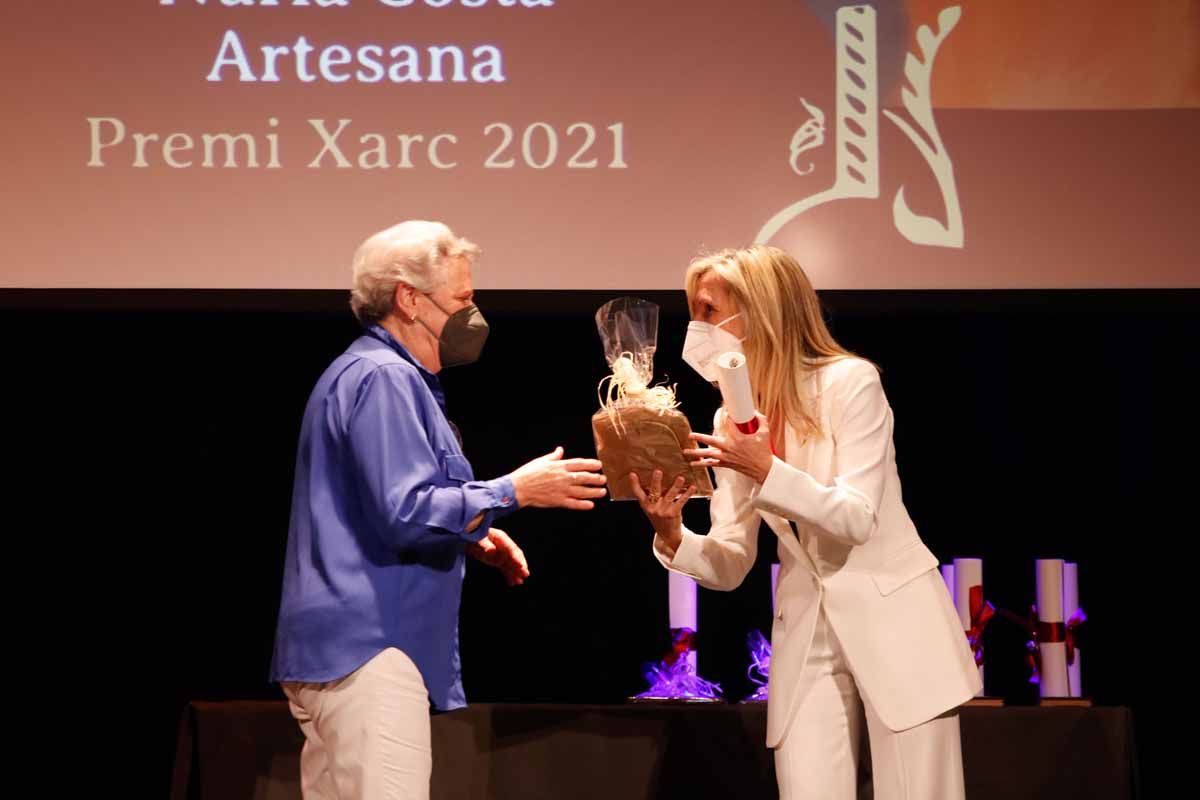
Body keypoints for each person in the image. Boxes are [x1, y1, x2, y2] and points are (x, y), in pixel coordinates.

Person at [270, 220, 607, 800]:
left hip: (344, 646)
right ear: (409, 299)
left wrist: (469, 537)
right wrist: (513, 491)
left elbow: (372, 502)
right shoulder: (384, 378)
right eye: (463, 300)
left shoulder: (374, 375)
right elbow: (404, 509)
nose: (473, 316)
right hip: (370, 646)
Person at [632, 244, 979, 799]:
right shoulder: (729, 416)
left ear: (760, 311)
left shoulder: (850, 383)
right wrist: (672, 533)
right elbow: (731, 560)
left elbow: (857, 517)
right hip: (806, 633)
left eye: (707, 311)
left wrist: (766, 469)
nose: (696, 328)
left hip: (895, 621)